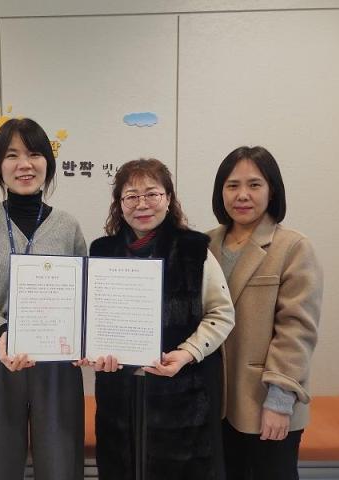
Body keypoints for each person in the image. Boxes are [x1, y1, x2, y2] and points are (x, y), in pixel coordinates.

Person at [0, 118, 86, 480]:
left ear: (48, 164)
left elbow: (85, 295)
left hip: (57, 362)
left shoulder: (68, 227)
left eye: (35, 154)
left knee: (61, 466)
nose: (24, 164)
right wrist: (2, 327)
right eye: (12, 155)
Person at [89, 158, 235, 480]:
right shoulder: (103, 251)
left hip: (182, 398)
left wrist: (186, 353)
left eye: (152, 194)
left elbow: (222, 314)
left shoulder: (194, 250)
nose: (142, 204)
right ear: (119, 204)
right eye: (131, 196)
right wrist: (93, 352)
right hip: (119, 396)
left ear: (168, 198)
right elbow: (93, 319)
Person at [207, 146, 323, 480]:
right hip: (216, 403)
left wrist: (280, 401)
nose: (242, 195)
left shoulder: (293, 247)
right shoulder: (205, 243)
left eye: (254, 185)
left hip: (265, 402)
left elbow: (297, 330)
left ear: (272, 191)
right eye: (232, 185)